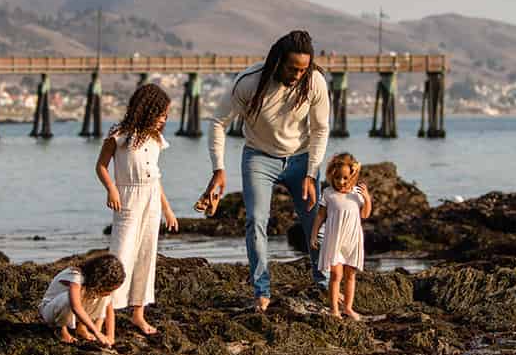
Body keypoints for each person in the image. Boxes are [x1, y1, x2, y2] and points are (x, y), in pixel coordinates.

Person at [204, 30, 331, 312]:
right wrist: (219, 170)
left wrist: (311, 173)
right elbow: (217, 122)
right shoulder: (249, 82)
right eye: (292, 68)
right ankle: (262, 291)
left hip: (301, 159)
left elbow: (321, 129)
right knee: (256, 221)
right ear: (277, 61)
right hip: (259, 158)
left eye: (303, 69)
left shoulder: (315, 81)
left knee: (315, 223)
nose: (298, 75)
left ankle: (323, 283)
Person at [96, 83, 179, 336]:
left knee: (146, 255)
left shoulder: (157, 140)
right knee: (120, 256)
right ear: (146, 109)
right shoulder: (119, 134)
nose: (164, 119)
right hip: (128, 200)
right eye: (161, 114)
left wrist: (168, 209)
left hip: (152, 200)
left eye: (166, 115)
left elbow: (156, 177)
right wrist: (111, 189)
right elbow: (100, 166)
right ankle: (100, 317)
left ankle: (137, 314)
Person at [310, 153, 372, 320]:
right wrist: (314, 235)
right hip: (334, 240)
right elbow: (320, 216)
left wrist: (366, 198)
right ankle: (334, 310)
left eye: (345, 178)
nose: (341, 182)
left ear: (351, 175)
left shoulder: (356, 193)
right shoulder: (328, 193)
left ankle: (348, 308)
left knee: (351, 275)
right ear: (332, 176)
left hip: (352, 239)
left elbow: (365, 215)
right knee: (336, 275)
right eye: (337, 178)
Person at [39, 253, 126, 346]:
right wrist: (97, 333)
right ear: (99, 279)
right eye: (109, 289)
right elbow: (75, 306)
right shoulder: (76, 276)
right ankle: (61, 329)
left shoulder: (94, 285)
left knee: (104, 297)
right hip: (51, 311)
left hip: (72, 312)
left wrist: (110, 336)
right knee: (69, 298)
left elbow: (109, 309)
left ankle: (81, 328)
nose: (109, 292)